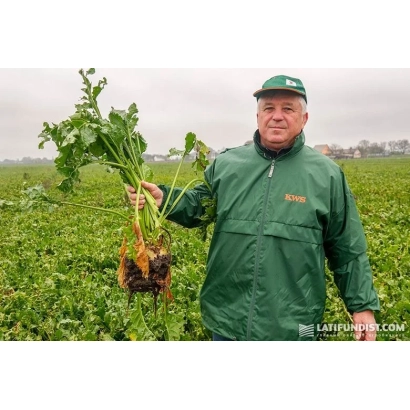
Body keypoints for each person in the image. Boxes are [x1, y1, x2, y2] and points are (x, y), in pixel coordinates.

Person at [128, 74, 380, 341]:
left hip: (293, 325)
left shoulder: (327, 175)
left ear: (304, 119)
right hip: (227, 319)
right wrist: (162, 198)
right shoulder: (227, 165)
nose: (277, 116)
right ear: (258, 116)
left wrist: (362, 305)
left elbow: (348, 247)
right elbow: (198, 207)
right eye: (269, 108)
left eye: (288, 109)